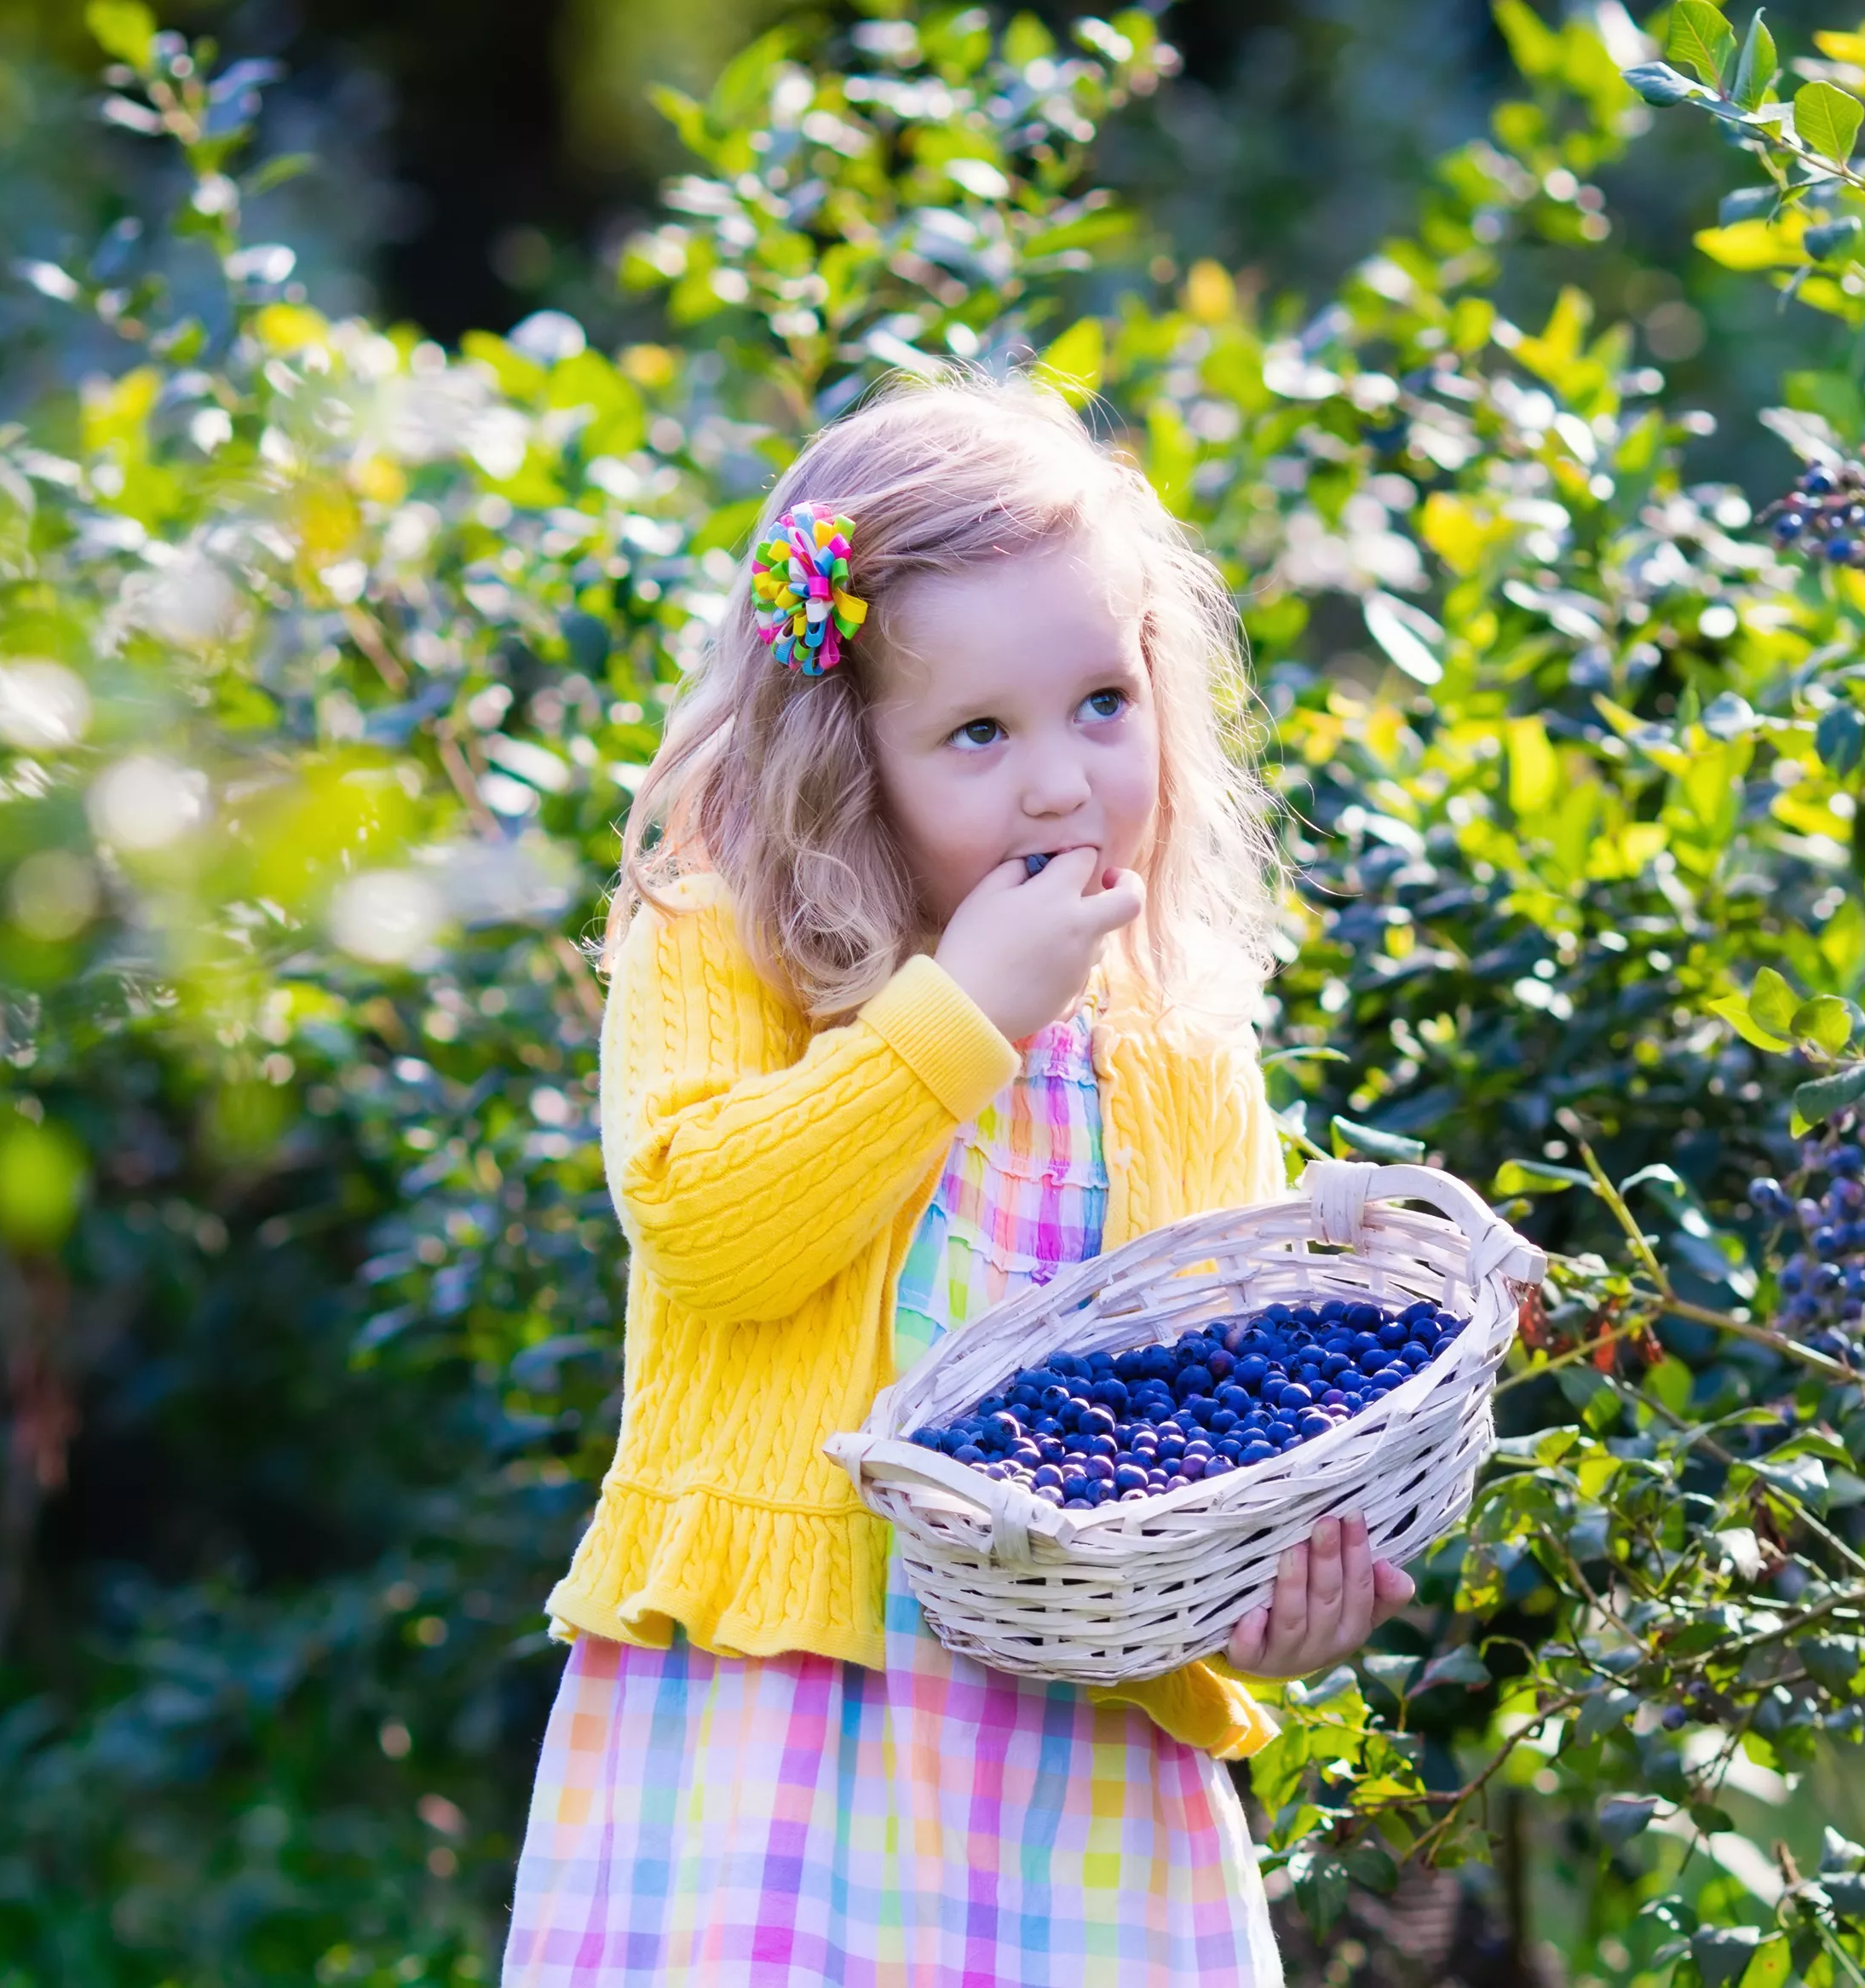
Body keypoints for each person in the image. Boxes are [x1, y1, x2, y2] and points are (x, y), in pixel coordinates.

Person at [500, 376, 1416, 1985]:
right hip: (772, 1755)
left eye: (1101, 708)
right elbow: (711, 1235)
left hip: (1087, 1791)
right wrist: (968, 1013)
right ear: (846, 754)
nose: (1059, 782)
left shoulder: (1174, 1050)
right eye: (978, 734)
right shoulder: (731, 938)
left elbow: (1212, 1414)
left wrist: (1271, 1602)